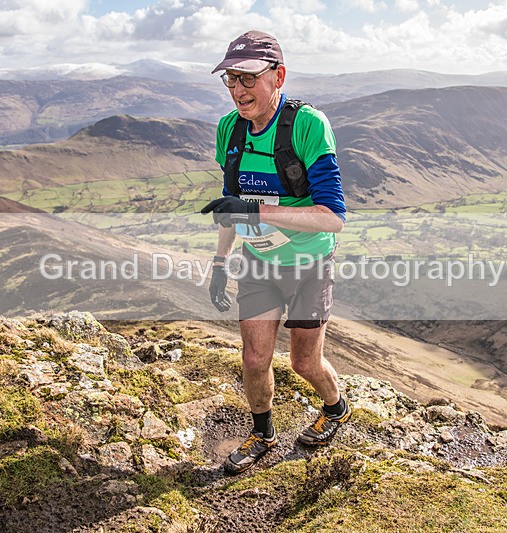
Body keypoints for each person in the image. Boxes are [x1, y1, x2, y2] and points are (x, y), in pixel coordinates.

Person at [201, 30, 350, 475]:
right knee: (253, 358)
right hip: (259, 264)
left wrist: (258, 209)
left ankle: (337, 407)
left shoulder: (306, 125)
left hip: (309, 263)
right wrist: (220, 262)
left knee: (304, 361)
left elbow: (333, 216)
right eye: (230, 79)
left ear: (278, 75)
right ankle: (263, 433)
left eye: (248, 78)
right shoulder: (230, 129)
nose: (237, 90)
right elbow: (231, 206)